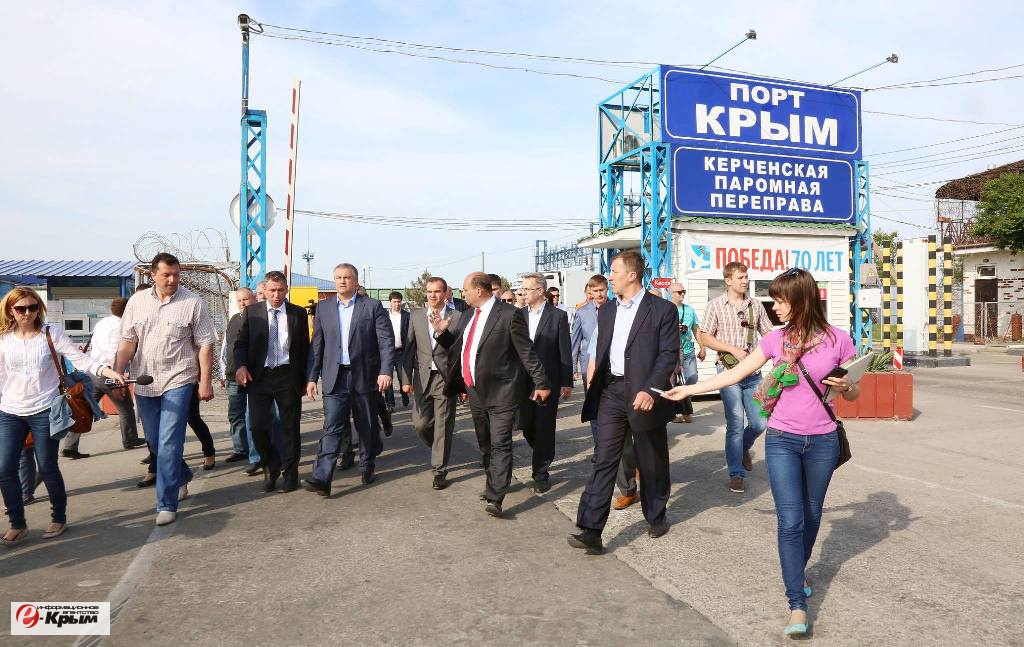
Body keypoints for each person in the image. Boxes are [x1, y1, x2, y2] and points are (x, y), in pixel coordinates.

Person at [660, 267, 858, 637]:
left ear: (801, 300)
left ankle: (797, 570)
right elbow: (735, 374)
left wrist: (848, 387)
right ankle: (796, 603)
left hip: (823, 441)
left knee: (812, 515)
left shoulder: (838, 340)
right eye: (773, 300)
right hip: (782, 439)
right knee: (791, 521)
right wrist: (689, 390)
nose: (774, 307)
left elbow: (854, 390)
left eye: (780, 301)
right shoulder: (775, 340)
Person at [568, 252, 678, 555]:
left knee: (651, 459)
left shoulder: (662, 309)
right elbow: (600, 351)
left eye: (614, 271)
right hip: (612, 393)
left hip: (645, 393)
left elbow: (668, 355)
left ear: (631, 275)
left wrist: (651, 389)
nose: (610, 276)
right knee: (604, 458)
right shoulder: (607, 311)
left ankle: (656, 515)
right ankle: (591, 529)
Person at [1, 287, 125, 545]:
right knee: (4, 469)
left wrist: (106, 371)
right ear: (10, 310)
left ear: (39, 309)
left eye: (33, 307)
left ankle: (58, 517)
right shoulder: (3, 338)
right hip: (10, 411)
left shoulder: (50, 333)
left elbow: (80, 359)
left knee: (47, 466)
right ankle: (18, 523)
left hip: (45, 409)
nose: (27, 313)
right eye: (21, 308)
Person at [432, 272, 550, 517]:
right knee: (485, 443)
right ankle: (491, 483)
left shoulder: (509, 314)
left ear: (479, 290)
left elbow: (526, 351)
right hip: (475, 391)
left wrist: (541, 381)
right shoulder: (467, 315)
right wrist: (442, 333)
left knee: (500, 443)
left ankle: (496, 497)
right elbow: (458, 349)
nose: (462, 294)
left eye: (465, 289)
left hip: (503, 392)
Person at [116, 253, 216, 526]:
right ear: (153, 275)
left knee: (170, 441)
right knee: (155, 442)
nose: (172, 280)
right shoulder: (137, 302)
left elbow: (205, 344)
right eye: (166, 275)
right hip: (145, 383)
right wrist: (117, 373)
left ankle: (166, 504)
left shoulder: (193, 303)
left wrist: (205, 381)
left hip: (179, 380)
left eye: (176, 275)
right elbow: (127, 342)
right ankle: (181, 476)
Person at [303, 263, 394, 495]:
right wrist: (312, 377)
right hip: (335, 377)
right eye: (338, 277)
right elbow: (317, 345)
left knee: (366, 424)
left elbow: (385, 341)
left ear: (355, 281)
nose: (342, 281)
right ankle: (322, 478)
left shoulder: (372, 306)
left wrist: (385, 371)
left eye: (347, 277)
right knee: (332, 427)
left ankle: (367, 465)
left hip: (364, 375)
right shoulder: (324, 308)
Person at [699, 261, 774, 493]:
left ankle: (742, 448)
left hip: (753, 373)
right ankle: (736, 473)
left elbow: (768, 334)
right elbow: (705, 336)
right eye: (740, 277)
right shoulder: (715, 305)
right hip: (727, 371)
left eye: (746, 277)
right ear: (728, 280)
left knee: (760, 422)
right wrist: (731, 349)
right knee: (735, 422)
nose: (745, 281)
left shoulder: (756, 305)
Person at [234, 271, 311, 494]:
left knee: (289, 427)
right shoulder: (252, 312)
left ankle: (290, 474)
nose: (276, 295)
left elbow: (304, 349)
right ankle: (271, 465)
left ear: (286, 290)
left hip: (288, 376)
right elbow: (240, 343)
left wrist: (308, 378)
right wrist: (241, 366)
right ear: (264, 291)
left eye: (280, 290)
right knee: (257, 426)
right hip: (260, 377)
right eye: (272, 290)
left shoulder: (297, 313)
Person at [62, 297, 146, 458]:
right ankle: (130, 439)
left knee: (83, 409)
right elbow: (115, 354)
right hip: (108, 373)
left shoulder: (102, 322)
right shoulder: (121, 327)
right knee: (126, 408)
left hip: (92, 372)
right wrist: (118, 377)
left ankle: (70, 446)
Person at [400, 277, 463, 490]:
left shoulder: (457, 317)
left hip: (445, 379)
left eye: (437, 291)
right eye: (429, 291)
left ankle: (439, 470)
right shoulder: (416, 316)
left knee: (443, 425)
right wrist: (406, 379)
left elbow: (458, 350)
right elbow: (409, 349)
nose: (432, 295)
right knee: (420, 424)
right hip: (422, 378)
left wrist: (443, 331)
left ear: (445, 294)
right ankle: (438, 446)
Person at [516, 273, 572, 494]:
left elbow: (564, 350)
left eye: (527, 289)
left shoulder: (558, 316)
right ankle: (543, 450)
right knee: (526, 424)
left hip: (548, 380)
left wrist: (566, 381)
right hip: (522, 380)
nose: (523, 293)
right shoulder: (518, 315)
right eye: (522, 289)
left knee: (544, 426)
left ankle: (540, 473)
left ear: (540, 291)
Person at [220, 288, 258, 466]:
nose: (242, 303)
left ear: (254, 299)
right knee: (235, 415)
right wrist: (223, 373)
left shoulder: (260, 319)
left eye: (246, 299)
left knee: (252, 416)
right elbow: (226, 347)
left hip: (253, 376)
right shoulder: (234, 319)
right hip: (232, 376)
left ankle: (256, 452)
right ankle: (240, 449)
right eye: (239, 300)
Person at [668, 282, 706, 424]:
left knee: (692, 378)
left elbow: (696, 329)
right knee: (671, 383)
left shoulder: (689, 310)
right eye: (679, 292)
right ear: (671, 293)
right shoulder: (666, 309)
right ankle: (674, 413)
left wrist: (702, 347)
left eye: (683, 291)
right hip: (671, 352)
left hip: (688, 350)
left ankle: (684, 406)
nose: (682, 294)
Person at [384, 291, 410, 410]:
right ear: (390, 302)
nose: (397, 304)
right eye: (394, 302)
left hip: (401, 352)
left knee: (401, 376)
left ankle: (404, 395)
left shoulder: (406, 316)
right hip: (387, 352)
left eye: (399, 301)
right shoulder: (384, 316)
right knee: (387, 378)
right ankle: (390, 403)